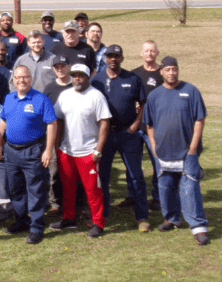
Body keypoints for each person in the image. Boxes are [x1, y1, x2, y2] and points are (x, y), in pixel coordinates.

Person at [142, 56, 209, 245]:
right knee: (165, 187)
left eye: (174, 69)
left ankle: (198, 227)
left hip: (187, 152)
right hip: (163, 152)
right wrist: (154, 147)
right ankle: (171, 218)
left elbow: (199, 120)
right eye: (168, 69)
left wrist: (193, 148)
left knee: (189, 189)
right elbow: (149, 125)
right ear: (161, 72)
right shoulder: (154, 95)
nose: (171, 73)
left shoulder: (190, 91)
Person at [89, 45, 150, 231]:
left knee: (136, 175)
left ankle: (142, 217)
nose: (113, 59)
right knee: (104, 177)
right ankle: (104, 216)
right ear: (105, 59)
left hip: (127, 133)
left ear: (122, 58)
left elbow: (143, 103)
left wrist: (135, 125)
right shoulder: (96, 80)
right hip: (105, 135)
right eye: (110, 56)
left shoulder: (132, 78)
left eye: (117, 56)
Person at [0, 67, 57, 244]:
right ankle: (21, 221)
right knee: (15, 189)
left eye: (25, 77)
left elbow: (52, 124)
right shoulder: (8, 98)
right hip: (11, 151)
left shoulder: (41, 99)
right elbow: (3, 122)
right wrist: (0, 144)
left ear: (30, 78)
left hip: (33, 151)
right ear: (13, 80)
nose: (21, 80)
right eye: (18, 78)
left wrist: (48, 150)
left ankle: (37, 227)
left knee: (35, 190)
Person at [50, 64, 111, 239]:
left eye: (81, 75)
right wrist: (56, 146)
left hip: (88, 152)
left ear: (87, 77)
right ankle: (69, 218)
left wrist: (98, 150)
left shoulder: (96, 96)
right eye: (74, 75)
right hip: (66, 151)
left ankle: (98, 222)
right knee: (67, 188)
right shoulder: (65, 95)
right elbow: (58, 120)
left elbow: (104, 123)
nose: (77, 78)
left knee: (93, 190)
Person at [131, 40, 164, 211]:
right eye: (146, 51)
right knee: (133, 164)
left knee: (157, 163)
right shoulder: (134, 74)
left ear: (157, 53)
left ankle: (158, 197)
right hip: (137, 128)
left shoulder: (162, 74)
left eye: (152, 51)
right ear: (141, 53)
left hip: (156, 128)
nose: (149, 54)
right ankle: (132, 195)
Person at [41, 56, 72, 216]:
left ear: (69, 66)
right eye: (57, 67)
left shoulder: (76, 85)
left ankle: (77, 204)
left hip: (74, 136)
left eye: (63, 66)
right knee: (54, 172)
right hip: (54, 137)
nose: (60, 69)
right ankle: (55, 203)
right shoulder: (50, 88)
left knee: (74, 173)